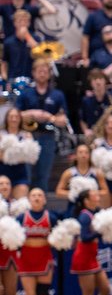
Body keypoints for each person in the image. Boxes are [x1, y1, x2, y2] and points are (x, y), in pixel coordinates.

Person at [15, 58, 68, 193]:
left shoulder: (57, 94)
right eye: (39, 71)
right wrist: (32, 113)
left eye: (45, 71)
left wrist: (49, 117)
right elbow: (15, 115)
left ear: (49, 74)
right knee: (26, 174)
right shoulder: (26, 93)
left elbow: (63, 120)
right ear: (33, 73)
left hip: (48, 137)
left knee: (43, 176)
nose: (42, 74)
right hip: (28, 137)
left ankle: (41, 203)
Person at [70, 187, 110, 295]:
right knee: (88, 293)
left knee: (105, 290)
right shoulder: (85, 216)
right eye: (94, 194)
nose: (97, 196)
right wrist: (99, 233)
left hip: (93, 256)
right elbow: (85, 237)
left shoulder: (95, 213)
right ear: (86, 200)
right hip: (83, 257)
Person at [15, 188, 55, 295]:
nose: (37, 198)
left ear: (44, 199)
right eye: (33, 195)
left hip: (45, 259)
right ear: (29, 199)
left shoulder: (51, 217)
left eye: (40, 195)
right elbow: (15, 240)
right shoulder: (21, 217)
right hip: (26, 260)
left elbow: (58, 239)